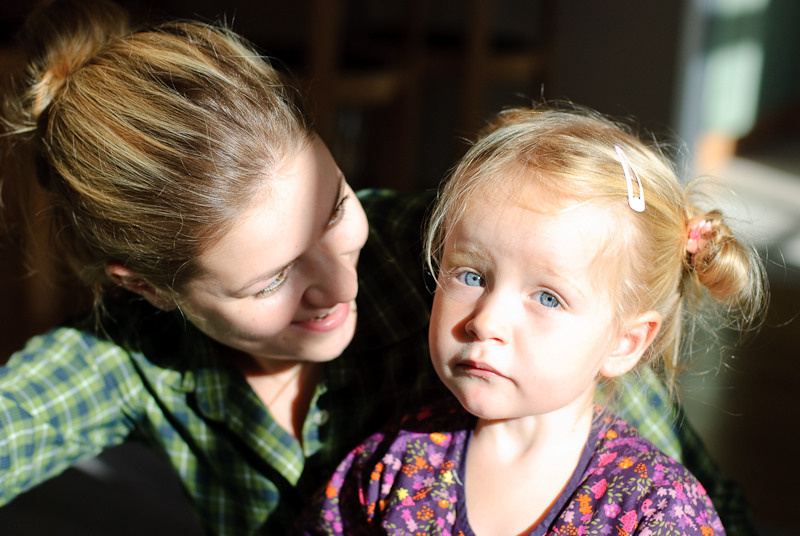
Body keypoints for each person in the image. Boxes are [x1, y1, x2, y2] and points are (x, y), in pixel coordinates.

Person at [0, 1, 761, 534]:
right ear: (148, 288)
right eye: (270, 281)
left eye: (333, 209)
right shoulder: (125, 358)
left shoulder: (454, 256)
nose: (336, 286)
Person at [303, 106, 767, 536]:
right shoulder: (396, 464)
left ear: (624, 344)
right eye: (470, 275)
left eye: (547, 297)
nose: (486, 321)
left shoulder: (657, 510)